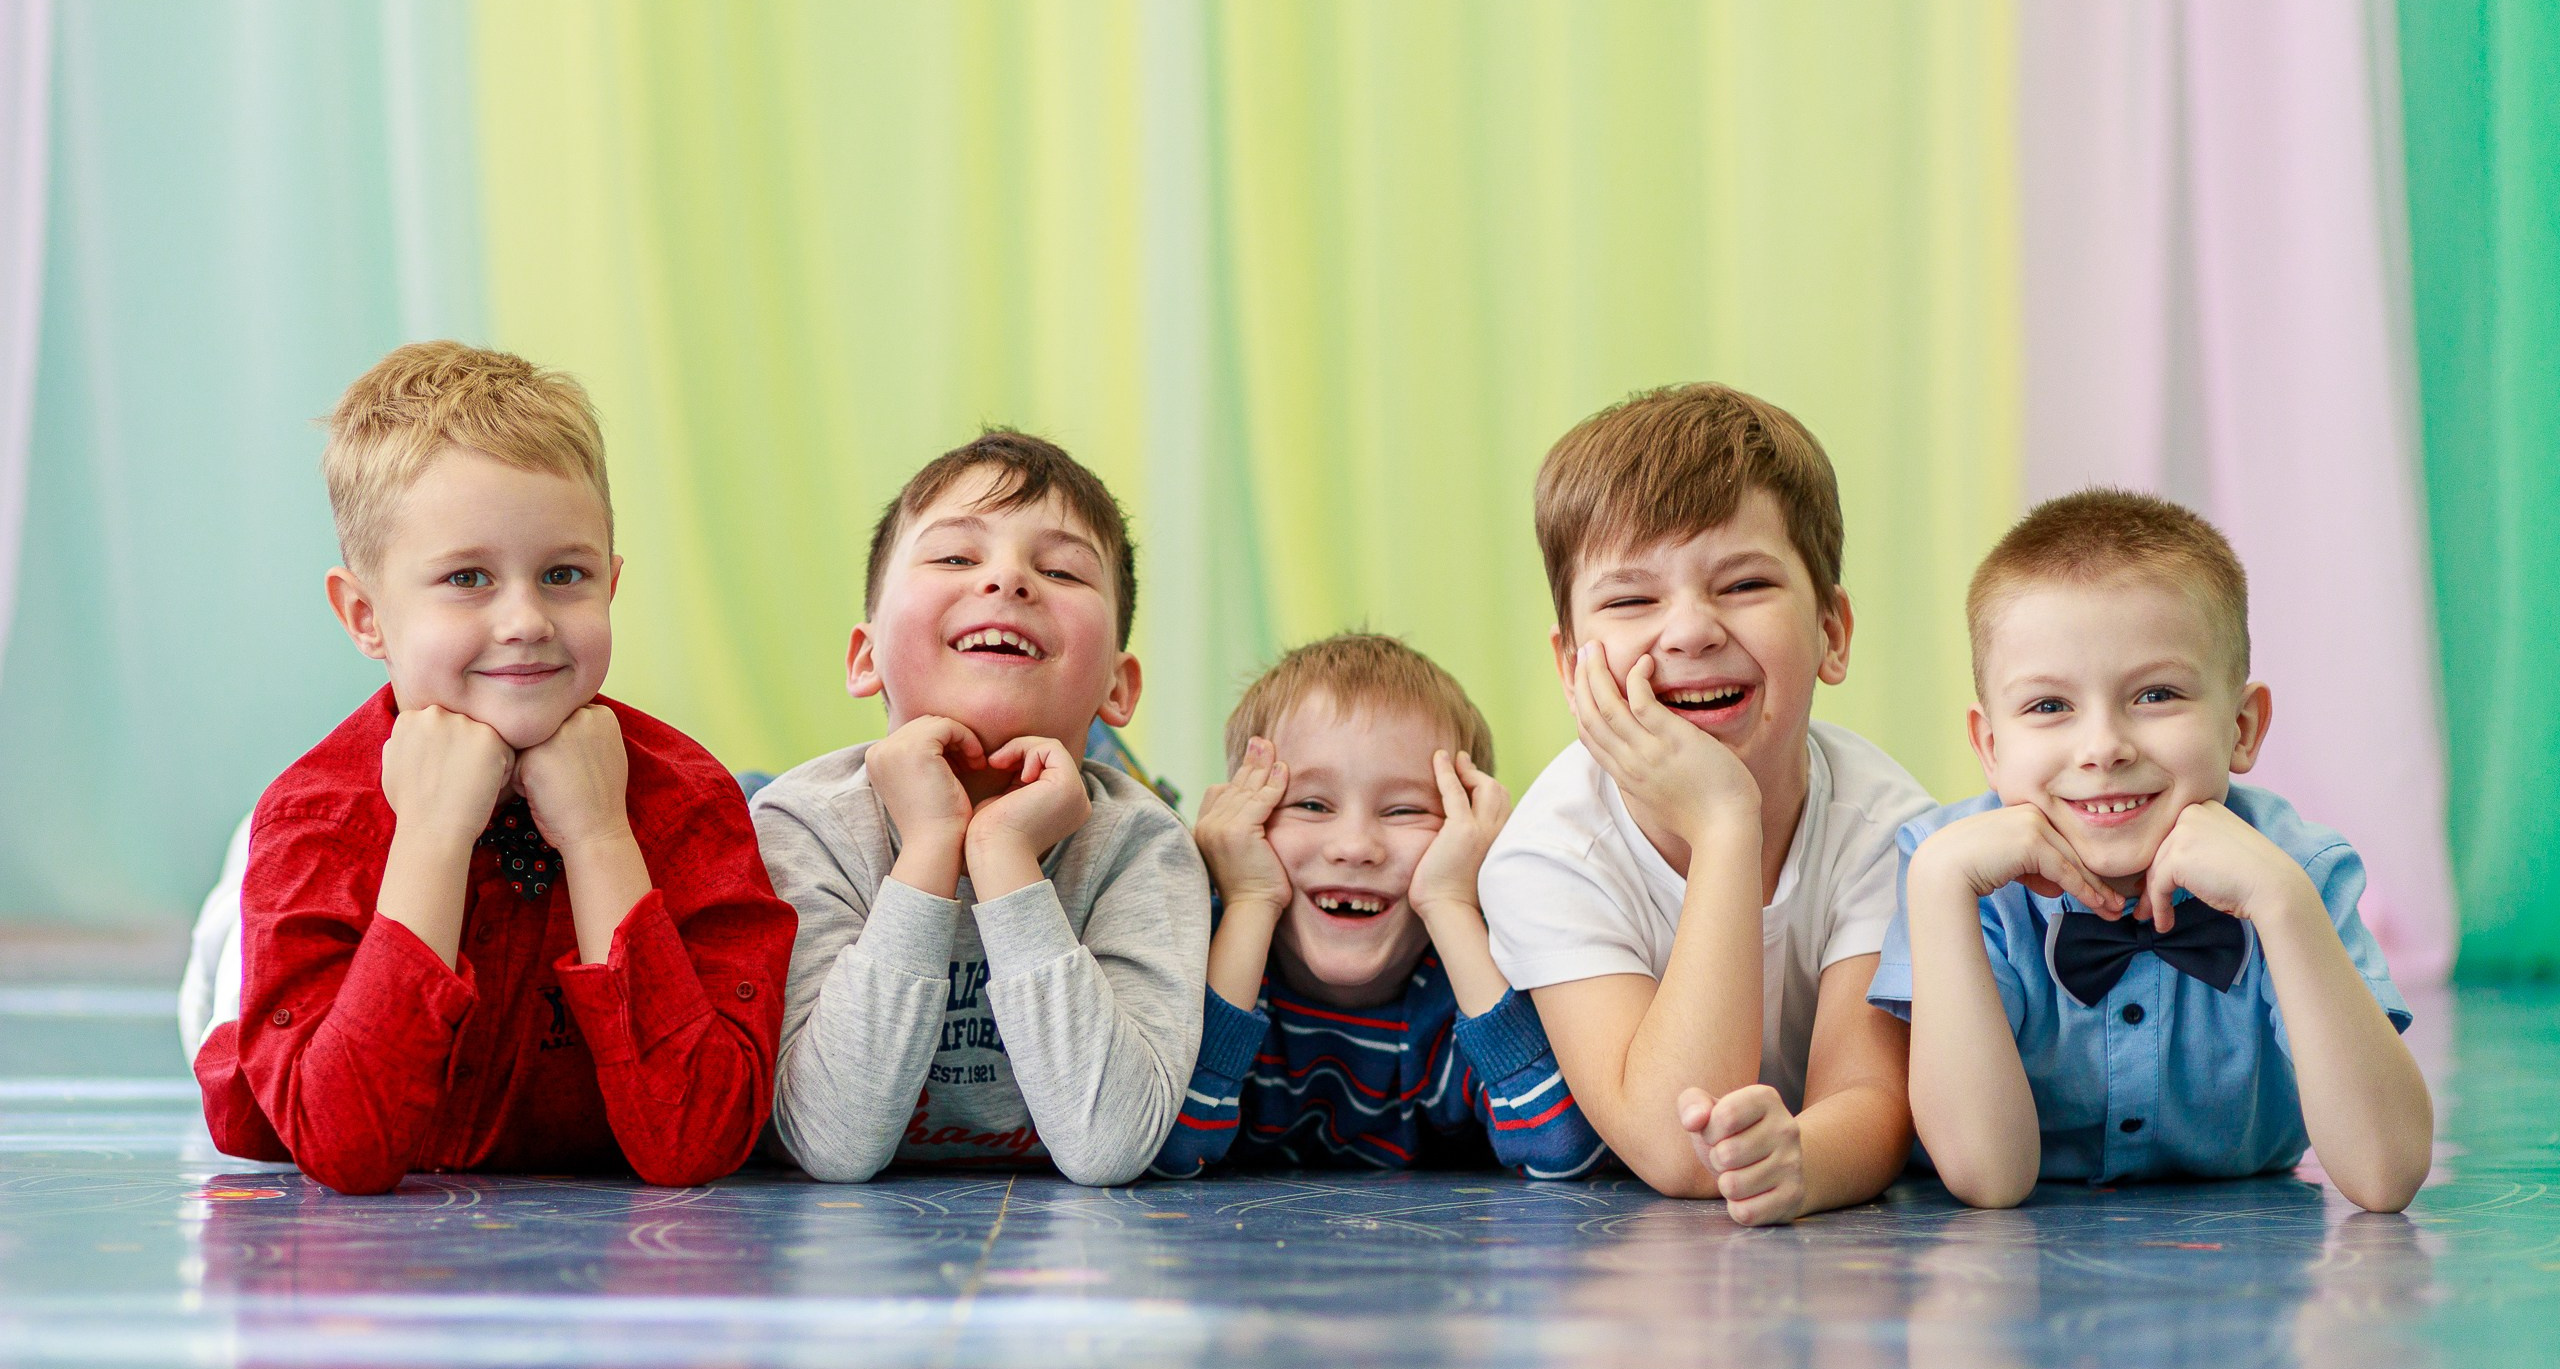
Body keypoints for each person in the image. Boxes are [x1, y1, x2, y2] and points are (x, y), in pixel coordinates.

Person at [194, 342, 796, 1195]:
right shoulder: (311, 817)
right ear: (365, 615)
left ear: (612, 585)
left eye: (564, 574)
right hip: (302, 946)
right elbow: (346, 1148)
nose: (525, 619)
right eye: (468, 577)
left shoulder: (689, 801)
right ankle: (228, 940)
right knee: (247, 1044)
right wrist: (433, 837)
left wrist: (597, 835)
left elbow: (692, 1140)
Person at [1869, 489, 2432, 1212]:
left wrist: (2282, 904)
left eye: (2157, 694)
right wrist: (1940, 884)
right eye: (2049, 706)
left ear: (2242, 726)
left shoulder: (2300, 871)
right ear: (1990, 745)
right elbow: (1986, 1175)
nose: (2103, 746)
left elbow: (2386, 1173)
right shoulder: (1949, 870)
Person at [1480, 384, 1935, 1223]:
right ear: (1571, 660)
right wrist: (1727, 824)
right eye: (1630, 599)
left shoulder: (1890, 830)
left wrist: (1805, 1160)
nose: (1689, 630)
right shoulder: (1546, 853)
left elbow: (1871, 1099)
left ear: (1833, 632)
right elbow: (1673, 1146)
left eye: (1744, 583)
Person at [752, 431, 1209, 1185]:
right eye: (956, 557)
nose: (1008, 580)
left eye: (1060, 568)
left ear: (1118, 689)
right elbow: (832, 1140)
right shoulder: (799, 825)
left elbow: (1109, 1145)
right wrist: (932, 844)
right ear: (866, 658)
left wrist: (1002, 852)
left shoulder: (1143, 845)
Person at [1150, 633, 1605, 1179]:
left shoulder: (1469, 980)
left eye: (1405, 810)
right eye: (1312, 804)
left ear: (1468, 831)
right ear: (1244, 818)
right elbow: (1161, 1145)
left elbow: (1565, 1148)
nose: (1356, 847)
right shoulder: (1202, 950)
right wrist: (1248, 900)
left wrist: (1450, 903)